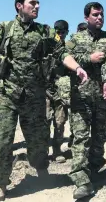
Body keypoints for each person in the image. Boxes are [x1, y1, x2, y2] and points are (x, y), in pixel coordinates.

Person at [0, 0, 87, 202]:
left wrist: (77, 67)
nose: (37, 6)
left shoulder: (44, 31)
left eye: (38, 3)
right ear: (19, 5)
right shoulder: (3, 28)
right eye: (32, 3)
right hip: (5, 94)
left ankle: (40, 168)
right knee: (1, 140)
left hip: (34, 95)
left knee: (38, 140)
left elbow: (62, 52)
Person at [66, 2, 106, 199]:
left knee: (100, 136)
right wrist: (89, 58)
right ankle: (81, 179)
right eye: (95, 15)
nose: (100, 18)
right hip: (81, 96)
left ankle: (94, 166)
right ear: (86, 17)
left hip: (103, 96)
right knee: (80, 137)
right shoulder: (75, 39)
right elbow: (67, 57)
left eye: (102, 15)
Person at [46, 20, 71, 163]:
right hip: (45, 88)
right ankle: (43, 152)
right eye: (58, 32)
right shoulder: (47, 46)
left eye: (63, 32)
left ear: (67, 32)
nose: (60, 35)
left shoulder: (68, 48)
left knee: (60, 121)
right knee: (45, 121)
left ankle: (56, 149)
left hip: (61, 89)